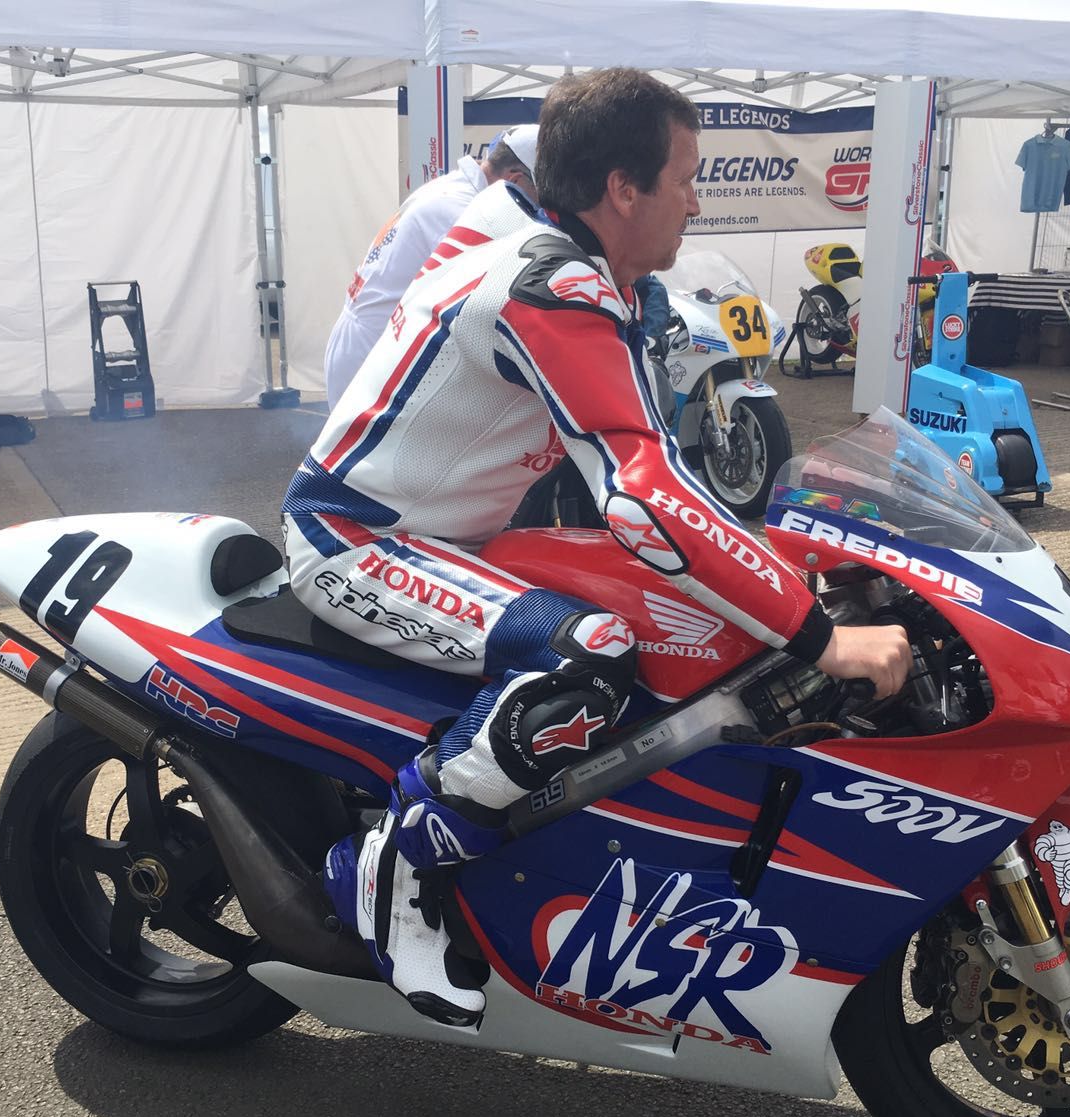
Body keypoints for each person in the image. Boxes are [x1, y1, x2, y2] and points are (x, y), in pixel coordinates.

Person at [282, 68, 910, 1026]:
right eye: (687, 177)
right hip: (356, 537)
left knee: (657, 614)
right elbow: (645, 497)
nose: (697, 200)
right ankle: (398, 865)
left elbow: (661, 471)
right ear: (623, 187)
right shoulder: (552, 286)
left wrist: (794, 561)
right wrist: (820, 639)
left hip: (453, 534)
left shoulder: (571, 266)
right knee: (591, 653)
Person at [321, 125, 539, 403]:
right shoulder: (458, 211)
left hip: (372, 337)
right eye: (539, 196)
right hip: (374, 350)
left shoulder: (453, 189)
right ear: (516, 181)